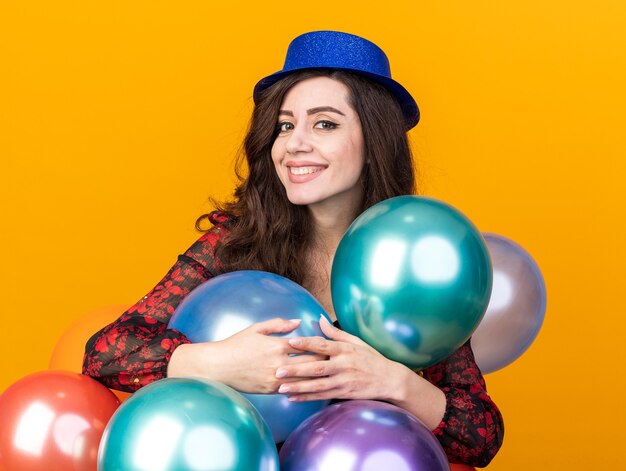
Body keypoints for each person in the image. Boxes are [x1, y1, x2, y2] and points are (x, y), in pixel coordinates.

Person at [83, 30, 504, 467]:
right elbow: (105, 353)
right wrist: (217, 362)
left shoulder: (409, 262)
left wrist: (390, 380)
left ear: (375, 141)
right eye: (285, 125)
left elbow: (482, 435)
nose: (294, 144)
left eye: (324, 123)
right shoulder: (234, 241)